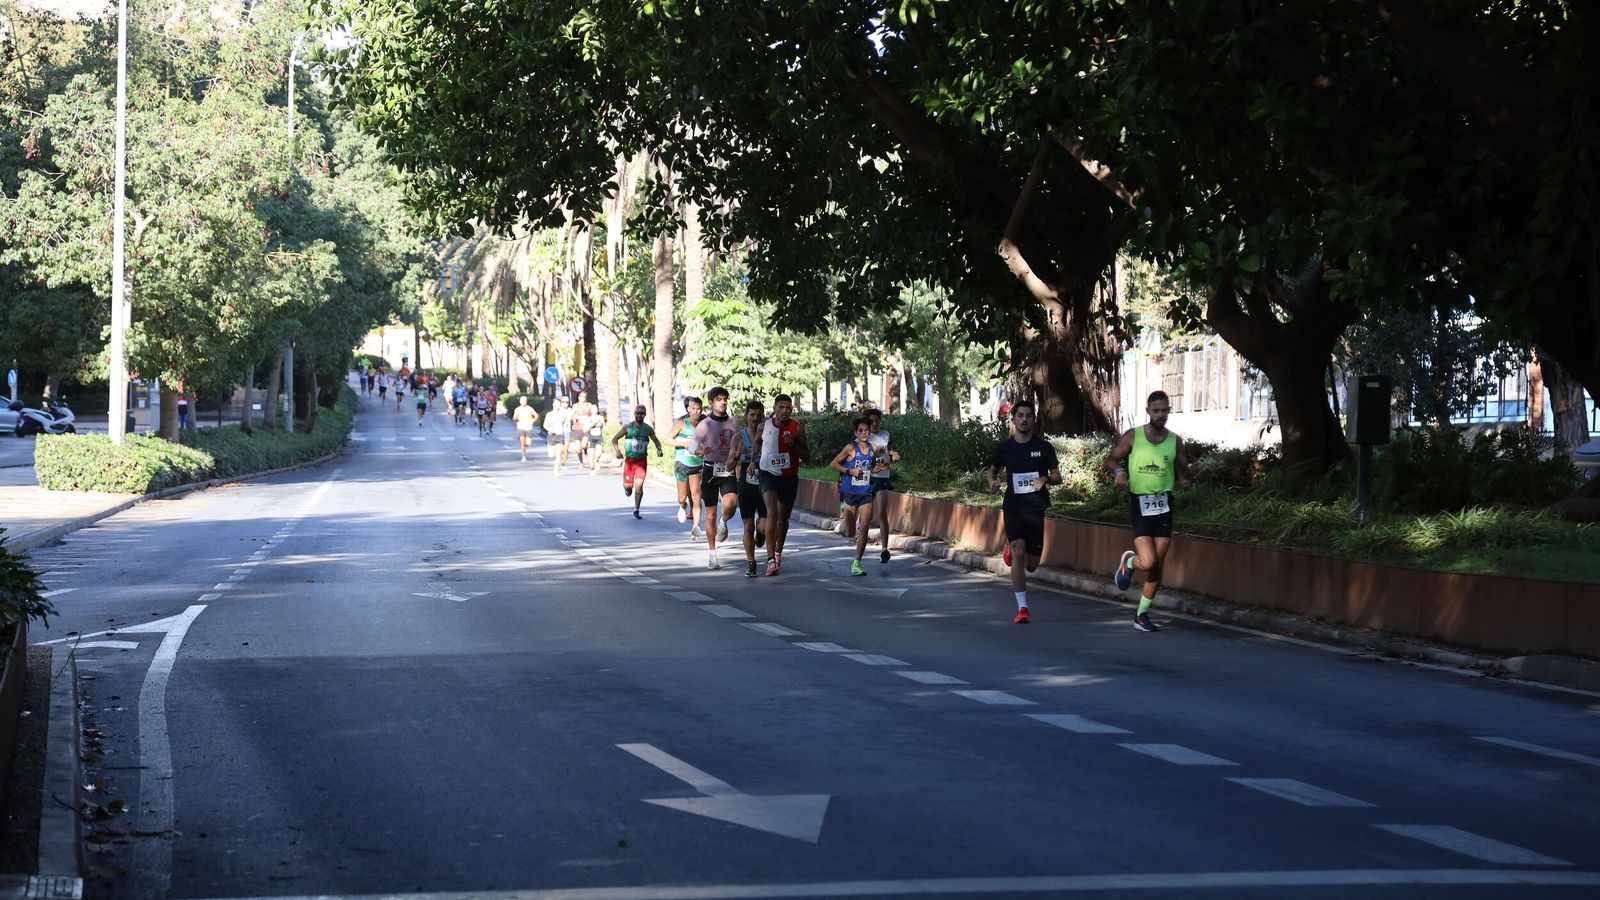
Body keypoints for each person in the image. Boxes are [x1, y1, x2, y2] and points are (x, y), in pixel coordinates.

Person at [1107, 390, 1191, 632]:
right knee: (1148, 560)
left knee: (1157, 565)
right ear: (1148, 411)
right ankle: (1130, 562)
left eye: (1165, 410)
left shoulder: (1175, 441)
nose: (1161, 415)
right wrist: (1119, 472)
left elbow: (1183, 468)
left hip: (1164, 504)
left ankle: (1142, 614)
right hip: (1140, 504)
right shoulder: (1134, 436)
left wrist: (1185, 480)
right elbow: (1111, 459)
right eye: (1156, 411)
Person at [986, 400, 1062, 624]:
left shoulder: (1044, 447)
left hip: (1036, 507)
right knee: (1019, 551)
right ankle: (1023, 608)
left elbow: (1058, 476)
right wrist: (992, 482)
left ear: (1033, 419)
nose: (1024, 420)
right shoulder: (1005, 448)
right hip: (1014, 505)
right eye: (1020, 416)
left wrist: (1046, 478)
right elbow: (991, 472)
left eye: (1029, 416)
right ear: (1014, 419)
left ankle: (1011, 549)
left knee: (1032, 564)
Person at [754, 393, 810, 576]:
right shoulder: (764, 426)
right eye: (781, 407)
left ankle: (778, 552)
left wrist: (793, 445)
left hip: (789, 477)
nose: (785, 411)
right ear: (775, 409)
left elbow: (807, 456)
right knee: (772, 512)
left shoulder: (797, 428)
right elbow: (756, 444)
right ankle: (770, 559)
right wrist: (754, 462)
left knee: (783, 519)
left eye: (788, 408)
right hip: (768, 475)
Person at [831, 416, 884, 577]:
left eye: (866, 430)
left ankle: (857, 564)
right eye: (860, 430)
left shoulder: (872, 448)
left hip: (866, 493)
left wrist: (880, 467)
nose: (864, 433)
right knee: (850, 532)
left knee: (865, 527)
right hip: (850, 493)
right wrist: (850, 471)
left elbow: (872, 467)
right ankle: (844, 508)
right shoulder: (850, 448)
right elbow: (833, 464)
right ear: (855, 432)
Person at [694, 386, 740, 569]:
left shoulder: (734, 422)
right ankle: (712, 554)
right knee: (710, 514)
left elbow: (739, 443)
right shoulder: (704, 424)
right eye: (719, 399)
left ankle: (724, 521)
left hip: (728, 469)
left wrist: (737, 457)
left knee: (731, 505)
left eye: (725, 399)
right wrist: (700, 451)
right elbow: (692, 447)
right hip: (710, 470)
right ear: (712, 403)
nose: (723, 402)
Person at [735, 400, 769, 577]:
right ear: (746, 416)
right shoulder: (739, 437)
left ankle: (760, 530)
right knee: (747, 526)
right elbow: (728, 464)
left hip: (765, 483)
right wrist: (736, 455)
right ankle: (751, 562)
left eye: (758, 415)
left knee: (763, 526)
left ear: (763, 416)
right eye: (752, 415)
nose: (755, 419)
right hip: (746, 485)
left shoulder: (768, 435)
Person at [611, 405, 664, 518]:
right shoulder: (628, 427)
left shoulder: (648, 429)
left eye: (642, 414)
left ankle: (636, 509)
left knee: (639, 486)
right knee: (628, 486)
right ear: (634, 414)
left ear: (645, 415)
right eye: (638, 413)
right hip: (629, 462)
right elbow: (615, 439)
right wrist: (617, 452)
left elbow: (656, 441)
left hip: (641, 462)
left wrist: (659, 449)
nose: (639, 415)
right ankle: (628, 490)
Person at [863, 409, 901, 564]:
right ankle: (860, 532)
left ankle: (884, 549)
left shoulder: (885, 434)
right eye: (872, 421)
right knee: (867, 515)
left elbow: (889, 449)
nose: (875, 424)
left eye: (877, 421)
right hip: (867, 478)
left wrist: (894, 454)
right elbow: (860, 454)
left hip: (882, 477)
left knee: (882, 512)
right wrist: (872, 452)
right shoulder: (864, 436)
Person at [671, 396, 706, 539]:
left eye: (698, 409)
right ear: (688, 409)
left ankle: (695, 527)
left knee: (697, 496)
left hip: (697, 464)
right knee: (682, 496)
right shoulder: (681, 424)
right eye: (693, 408)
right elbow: (667, 439)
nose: (696, 411)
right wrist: (685, 444)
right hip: (682, 463)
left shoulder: (705, 424)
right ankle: (682, 505)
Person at [545, 397, 573, 474]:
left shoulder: (562, 414)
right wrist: (550, 430)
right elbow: (545, 425)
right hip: (551, 436)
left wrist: (566, 427)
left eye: (558, 404)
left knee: (558, 453)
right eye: (556, 404)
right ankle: (556, 462)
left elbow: (566, 423)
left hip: (560, 435)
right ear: (553, 404)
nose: (557, 405)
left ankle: (555, 470)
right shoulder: (549, 414)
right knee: (551, 455)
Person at [572, 395, 598, 467]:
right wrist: (574, 420)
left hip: (586, 428)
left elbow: (593, 413)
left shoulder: (589, 405)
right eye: (580, 396)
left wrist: (590, 421)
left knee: (583, 445)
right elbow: (572, 415)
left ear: (586, 398)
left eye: (584, 397)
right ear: (578, 397)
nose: (582, 398)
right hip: (577, 428)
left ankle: (585, 452)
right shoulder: (575, 406)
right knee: (578, 448)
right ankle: (581, 462)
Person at [513, 396, 540, 462]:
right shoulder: (517, 409)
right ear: (520, 402)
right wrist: (515, 419)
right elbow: (514, 418)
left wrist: (532, 421)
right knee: (522, 443)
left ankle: (524, 446)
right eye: (522, 401)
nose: (523, 402)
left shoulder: (529, 408)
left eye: (524, 401)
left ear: (526, 401)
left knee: (528, 443)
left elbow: (536, 415)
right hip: (520, 427)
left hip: (528, 427)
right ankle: (523, 456)